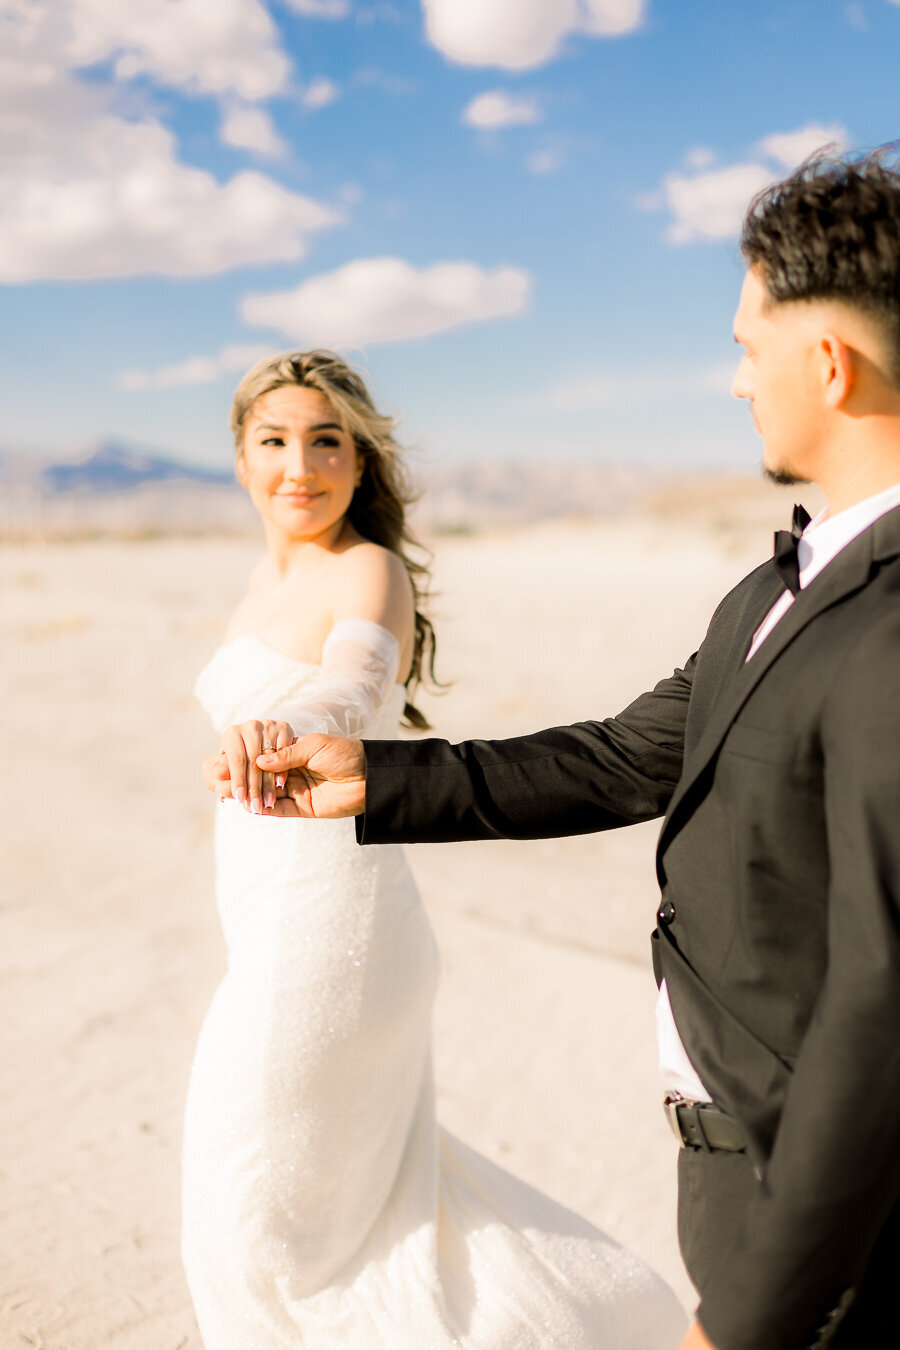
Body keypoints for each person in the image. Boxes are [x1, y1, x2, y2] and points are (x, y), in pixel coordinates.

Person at [239, 152, 900, 1350]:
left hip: (823, 1215)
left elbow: (884, 1005)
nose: (736, 380)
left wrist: (755, 1316)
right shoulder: (775, 586)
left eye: (748, 347)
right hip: (732, 1160)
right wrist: (375, 779)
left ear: (828, 364)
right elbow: (621, 757)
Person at [188, 349, 686, 1349]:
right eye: (274, 441)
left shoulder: (366, 570)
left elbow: (353, 686)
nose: (300, 466)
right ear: (240, 460)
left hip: (328, 926)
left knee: (256, 1209)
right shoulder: (260, 576)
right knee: (330, 1212)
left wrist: (292, 724)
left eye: (327, 441)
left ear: (361, 462)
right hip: (266, 911)